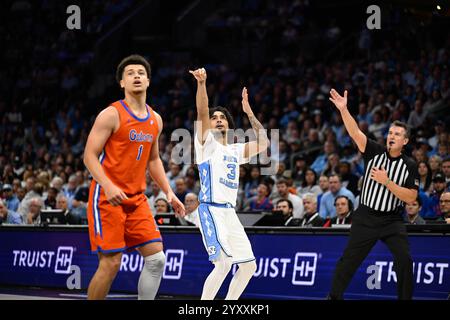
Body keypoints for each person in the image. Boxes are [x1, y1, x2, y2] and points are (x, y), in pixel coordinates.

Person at [83, 55, 185, 300]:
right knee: (111, 264)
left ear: (148, 81)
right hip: (107, 198)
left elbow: (153, 160)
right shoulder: (111, 114)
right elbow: (89, 155)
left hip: (136, 199)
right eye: (130, 73)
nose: (136, 76)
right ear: (121, 82)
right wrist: (107, 185)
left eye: (141, 72)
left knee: (157, 259)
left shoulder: (155, 119)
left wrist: (169, 192)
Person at [327, 89, 419, 300]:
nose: (391, 136)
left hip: (392, 219)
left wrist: (387, 182)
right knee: (348, 261)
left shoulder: (410, 165)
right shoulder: (374, 151)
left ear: (405, 141)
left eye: (397, 134)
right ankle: (333, 297)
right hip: (365, 216)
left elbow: (411, 198)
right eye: (390, 133)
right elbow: (355, 132)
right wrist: (344, 110)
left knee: (405, 260)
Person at [190, 67, 269, 300]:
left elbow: (263, 143)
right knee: (223, 264)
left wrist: (249, 112)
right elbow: (202, 110)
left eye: (222, 117)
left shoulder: (235, 150)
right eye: (214, 118)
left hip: (229, 213)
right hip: (211, 209)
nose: (218, 120)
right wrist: (202, 84)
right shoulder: (204, 144)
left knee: (248, 267)